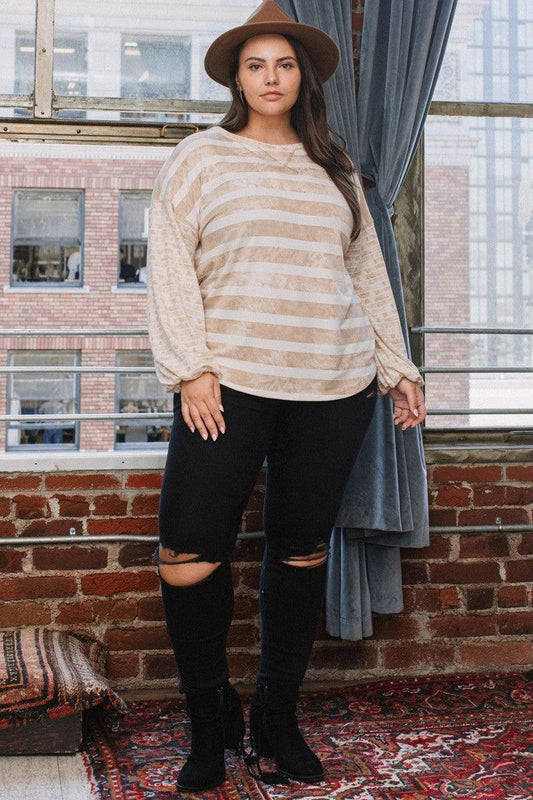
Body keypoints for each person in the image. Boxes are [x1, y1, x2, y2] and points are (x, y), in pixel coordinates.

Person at [146, 0, 426, 792]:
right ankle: (211, 723)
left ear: (303, 78)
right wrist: (189, 367)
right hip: (224, 386)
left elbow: (367, 272)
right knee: (187, 549)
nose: (271, 77)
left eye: (285, 64)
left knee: (300, 547)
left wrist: (396, 365)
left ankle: (276, 718)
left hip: (332, 385)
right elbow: (168, 263)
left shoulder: (334, 168)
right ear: (237, 78)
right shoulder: (200, 158)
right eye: (255, 65)